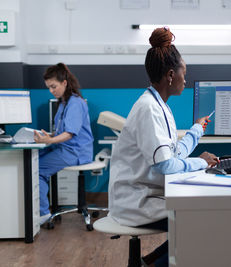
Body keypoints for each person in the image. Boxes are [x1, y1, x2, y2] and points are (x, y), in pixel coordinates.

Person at [107, 27, 218, 267]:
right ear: (170, 75)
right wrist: (202, 162)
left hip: (146, 193)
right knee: (198, 218)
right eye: (183, 73)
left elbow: (174, 153)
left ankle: (149, 262)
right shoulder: (149, 109)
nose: (185, 80)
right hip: (135, 201)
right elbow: (167, 165)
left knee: (199, 214)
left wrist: (196, 130)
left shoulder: (160, 106)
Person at [34, 63, 94, 225]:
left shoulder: (75, 103)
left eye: (53, 87)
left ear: (64, 83)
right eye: (48, 88)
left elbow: (70, 133)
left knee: (36, 170)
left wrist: (50, 140)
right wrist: (50, 136)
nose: (51, 91)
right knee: (32, 160)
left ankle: (43, 213)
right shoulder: (64, 103)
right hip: (66, 147)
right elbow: (63, 130)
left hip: (76, 152)